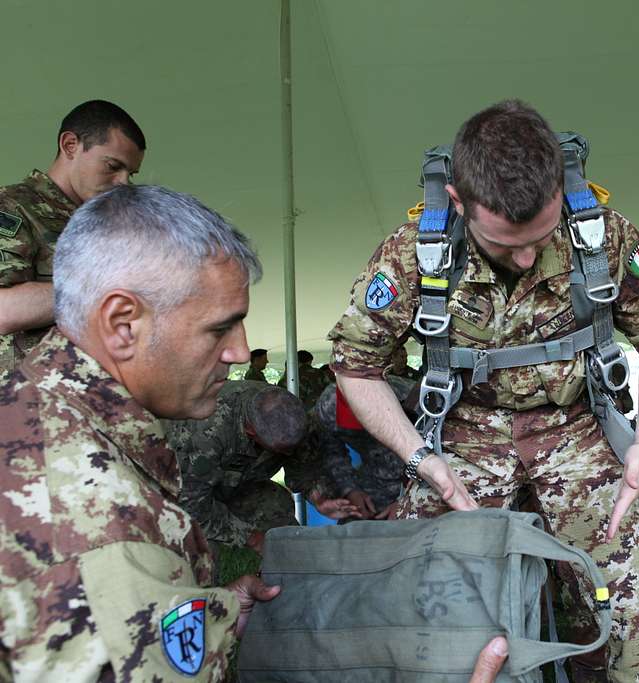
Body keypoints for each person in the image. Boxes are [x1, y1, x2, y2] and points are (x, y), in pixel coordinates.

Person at [0, 184, 510, 683]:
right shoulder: (94, 522)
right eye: (220, 328)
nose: (241, 354)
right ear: (122, 323)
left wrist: (212, 616)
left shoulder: (42, 411)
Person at [330, 100, 639, 682]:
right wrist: (422, 460)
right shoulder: (411, 254)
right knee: (433, 612)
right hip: (464, 436)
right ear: (457, 200)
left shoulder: (602, 235)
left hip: (577, 429)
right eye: (504, 245)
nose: (526, 257)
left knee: (636, 622)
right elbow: (355, 366)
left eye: (540, 238)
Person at [0, 99, 145, 373]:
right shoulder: (11, 207)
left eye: (130, 173)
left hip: (93, 397)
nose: (123, 182)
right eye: (113, 166)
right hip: (24, 401)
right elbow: (4, 310)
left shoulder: (108, 224)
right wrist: (106, 291)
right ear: (70, 145)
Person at [163, 380, 347, 554]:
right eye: (280, 450)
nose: (287, 455)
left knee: (278, 511)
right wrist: (251, 538)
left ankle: (290, 575)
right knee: (201, 546)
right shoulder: (205, 432)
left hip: (235, 482)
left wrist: (317, 497)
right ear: (250, 431)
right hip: (178, 490)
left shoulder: (288, 414)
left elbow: (301, 464)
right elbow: (191, 505)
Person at [313, 383, 408, 520]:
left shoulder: (408, 399)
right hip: (377, 476)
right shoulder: (329, 407)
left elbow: (437, 454)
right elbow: (331, 452)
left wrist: (407, 500)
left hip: (423, 478)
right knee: (353, 523)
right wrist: (350, 490)